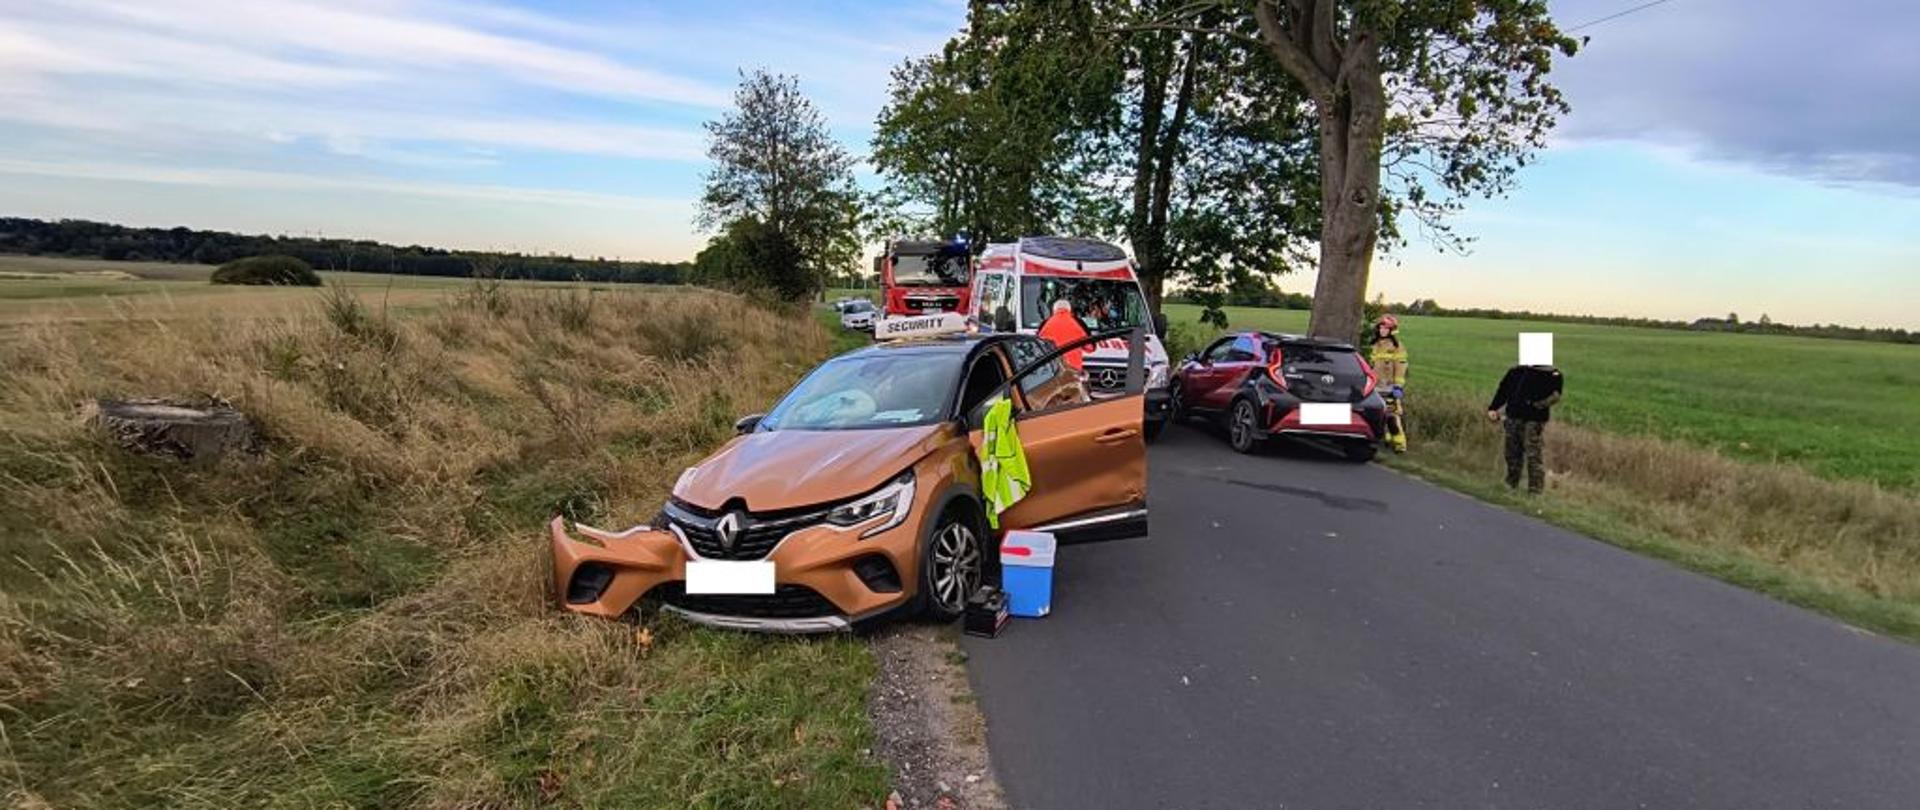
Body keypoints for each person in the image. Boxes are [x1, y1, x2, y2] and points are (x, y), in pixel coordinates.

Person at [1486, 361, 1565, 494]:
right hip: (1513, 415)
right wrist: (1493, 408)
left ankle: (1535, 491)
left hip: (1535, 419)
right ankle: (1511, 484)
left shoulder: (1551, 373)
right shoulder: (1515, 372)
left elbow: (1556, 394)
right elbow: (1503, 389)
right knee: (1512, 452)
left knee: (1533, 454)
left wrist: (1538, 405)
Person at [1367, 315, 1409, 452]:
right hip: (1374, 387)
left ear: (1392, 330)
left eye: (1386, 328)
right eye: (1381, 327)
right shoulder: (1373, 345)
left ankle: (1400, 444)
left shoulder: (1397, 346)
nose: (1382, 330)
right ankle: (1385, 440)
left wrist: (1398, 386)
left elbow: (1401, 366)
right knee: (1378, 415)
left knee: (1392, 416)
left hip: (1389, 386)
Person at [1036, 298, 1089, 372]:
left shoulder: (1046, 324)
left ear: (1054, 310)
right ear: (1069, 310)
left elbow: (1037, 346)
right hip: (1074, 369)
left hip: (1053, 369)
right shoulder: (1078, 323)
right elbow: (1090, 347)